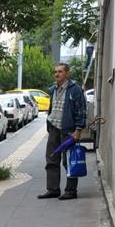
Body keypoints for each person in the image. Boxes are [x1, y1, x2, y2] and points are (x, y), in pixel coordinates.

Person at [39, 63, 86, 201]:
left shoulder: (75, 90)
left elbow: (81, 111)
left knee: (69, 161)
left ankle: (71, 191)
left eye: (60, 71)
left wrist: (78, 130)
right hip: (54, 128)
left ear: (67, 73)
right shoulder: (53, 89)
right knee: (51, 159)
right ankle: (53, 189)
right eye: (55, 72)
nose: (57, 74)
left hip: (68, 131)